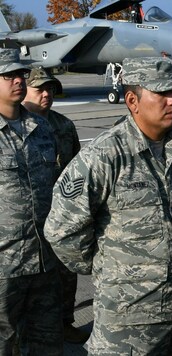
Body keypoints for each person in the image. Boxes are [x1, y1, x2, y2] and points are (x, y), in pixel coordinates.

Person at [44, 57, 172, 355]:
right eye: (162, 94)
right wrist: (111, 268)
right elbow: (62, 230)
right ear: (133, 100)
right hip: (129, 320)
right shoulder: (104, 155)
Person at [0, 48, 63, 355]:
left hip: (44, 261)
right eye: (8, 75)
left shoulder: (41, 129)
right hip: (4, 267)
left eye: (20, 74)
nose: (18, 80)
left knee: (47, 343)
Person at [21, 67, 89, 344]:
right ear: (25, 90)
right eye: (40, 89)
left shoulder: (63, 125)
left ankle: (64, 322)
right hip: (26, 217)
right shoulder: (15, 126)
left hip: (61, 215)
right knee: (26, 277)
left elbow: (78, 169)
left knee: (64, 272)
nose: (47, 94)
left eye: (50, 89)